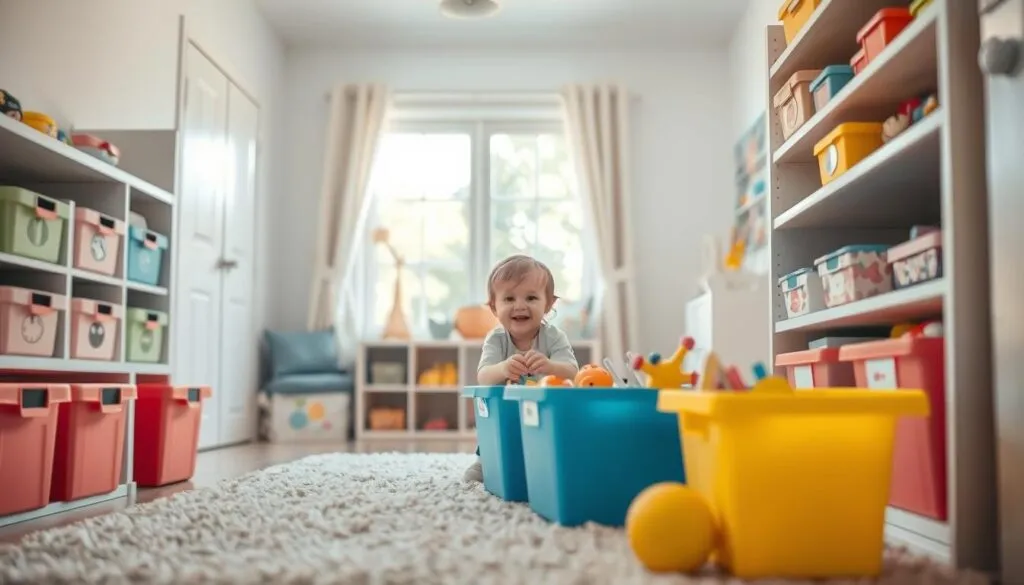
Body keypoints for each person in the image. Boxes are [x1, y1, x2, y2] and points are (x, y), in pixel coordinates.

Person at [464, 254, 580, 483]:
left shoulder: (554, 337)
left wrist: (550, 366)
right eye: (508, 298)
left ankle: (549, 465)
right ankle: (484, 461)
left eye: (531, 297)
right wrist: (503, 368)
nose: (520, 305)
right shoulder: (496, 339)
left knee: (558, 437)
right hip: (506, 411)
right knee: (496, 433)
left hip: (545, 413)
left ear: (548, 304)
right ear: (494, 307)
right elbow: (484, 376)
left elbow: (573, 372)